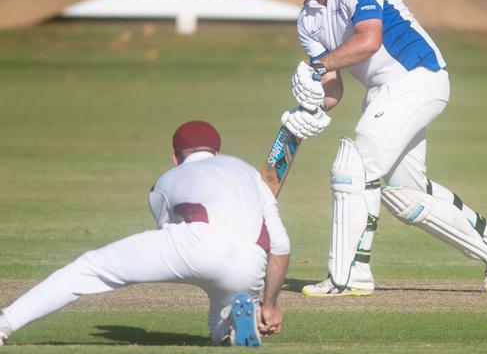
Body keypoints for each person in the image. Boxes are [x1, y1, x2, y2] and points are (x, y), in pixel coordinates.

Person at [280, 0, 487, 297]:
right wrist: (309, 108)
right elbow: (333, 88)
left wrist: (319, 67)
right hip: (383, 92)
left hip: (419, 76)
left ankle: (350, 275)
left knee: (356, 165)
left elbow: (369, 40)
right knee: (407, 195)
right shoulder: (308, 19)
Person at [0, 121, 290, 347]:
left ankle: (5, 324)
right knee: (222, 315)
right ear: (219, 153)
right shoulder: (250, 173)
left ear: (175, 158)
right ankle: (234, 324)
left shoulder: (165, 181)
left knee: (92, 267)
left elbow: (169, 236)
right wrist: (270, 304)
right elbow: (280, 246)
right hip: (251, 260)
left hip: (195, 246)